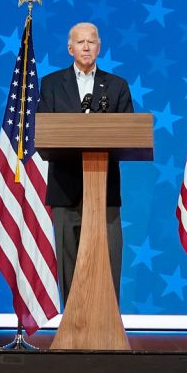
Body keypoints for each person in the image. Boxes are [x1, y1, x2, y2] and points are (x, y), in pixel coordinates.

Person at [41, 22, 134, 306]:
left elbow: (129, 134)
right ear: (70, 48)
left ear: (99, 47)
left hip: (104, 193)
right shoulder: (52, 84)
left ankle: (107, 328)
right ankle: (71, 327)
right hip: (65, 191)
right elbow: (43, 134)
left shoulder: (117, 86)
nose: (85, 47)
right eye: (80, 42)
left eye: (91, 41)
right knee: (69, 266)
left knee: (108, 263)